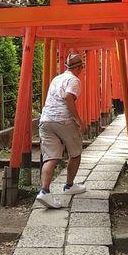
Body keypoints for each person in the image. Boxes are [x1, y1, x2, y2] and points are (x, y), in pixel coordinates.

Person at [36, 53, 86, 209]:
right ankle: (69, 186)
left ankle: (44, 191)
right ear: (80, 67)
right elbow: (68, 97)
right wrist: (78, 120)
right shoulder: (74, 80)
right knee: (76, 152)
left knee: (51, 157)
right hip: (63, 120)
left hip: (46, 120)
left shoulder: (56, 79)